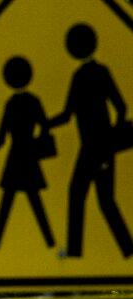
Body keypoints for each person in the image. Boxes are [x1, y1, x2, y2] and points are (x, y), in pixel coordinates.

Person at [48, 23, 132, 258]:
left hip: (98, 148)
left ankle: (84, 250)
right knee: (95, 198)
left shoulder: (89, 74)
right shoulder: (90, 73)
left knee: (89, 196)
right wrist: (45, 124)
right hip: (94, 148)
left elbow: (120, 107)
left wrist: (111, 138)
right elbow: (68, 114)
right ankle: (123, 248)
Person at [0, 56, 55, 251]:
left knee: (9, 203)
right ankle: (49, 242)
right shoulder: (33, 101)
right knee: (32, 202)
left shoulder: (12, 103)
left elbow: (1, 137)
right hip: (28, 155)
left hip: (16, 157)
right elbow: (45, 127)